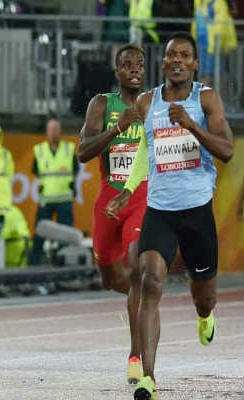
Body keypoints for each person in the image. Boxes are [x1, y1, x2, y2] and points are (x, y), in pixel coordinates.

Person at [105, 32, 233, 400]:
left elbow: (227, 151)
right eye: (171, 55)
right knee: (149, 281)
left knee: (204, 295)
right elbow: (144, 154)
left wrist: (192, 125)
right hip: (160, 211)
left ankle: (205, 315)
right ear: (162, 63)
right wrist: (127, 192)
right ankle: (148, 378)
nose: (177, 60)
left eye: (184, 55)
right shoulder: (147, 103)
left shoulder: (205, 99)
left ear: (195, 64)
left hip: (197, 211)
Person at [77, 43, 147, 384]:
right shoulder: (102, 104)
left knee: (137, 267)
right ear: (117, 71)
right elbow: (82, 152)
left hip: (141, 198)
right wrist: (117, 129)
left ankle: (135, 355)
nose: (134, 69)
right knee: (108, 277)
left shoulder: (152, 104)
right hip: (109, 199)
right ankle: (143, 297)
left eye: (140, 64)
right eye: (127, 64)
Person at [30, 118, 78, 265]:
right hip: (46, 200)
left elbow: (76, 169)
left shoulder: (69, 149)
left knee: (66, 235)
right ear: (46, 132)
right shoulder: (39, 150)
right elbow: (35, 170)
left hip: (65, 200)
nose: (53, 133)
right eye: (51, 130)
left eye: (56, 129)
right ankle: (34, 265)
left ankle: (64, 265)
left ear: (60, 131)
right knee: (39, 233)